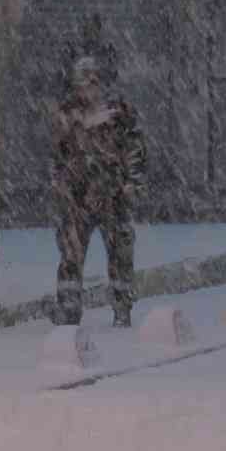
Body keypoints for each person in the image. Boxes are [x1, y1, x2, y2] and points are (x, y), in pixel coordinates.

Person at [50, 54, 147, 327]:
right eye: (82, 84)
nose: (87, 90)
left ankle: (122, 308)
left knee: (120, 254)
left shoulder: (119, 112)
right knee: (70, 255)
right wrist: (59, 184)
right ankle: (68, 309)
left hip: (112, 194)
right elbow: (58, 153)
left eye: (92, 83)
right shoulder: (68, 112)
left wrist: (133, 182)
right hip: (77, 196)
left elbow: (135, 149)